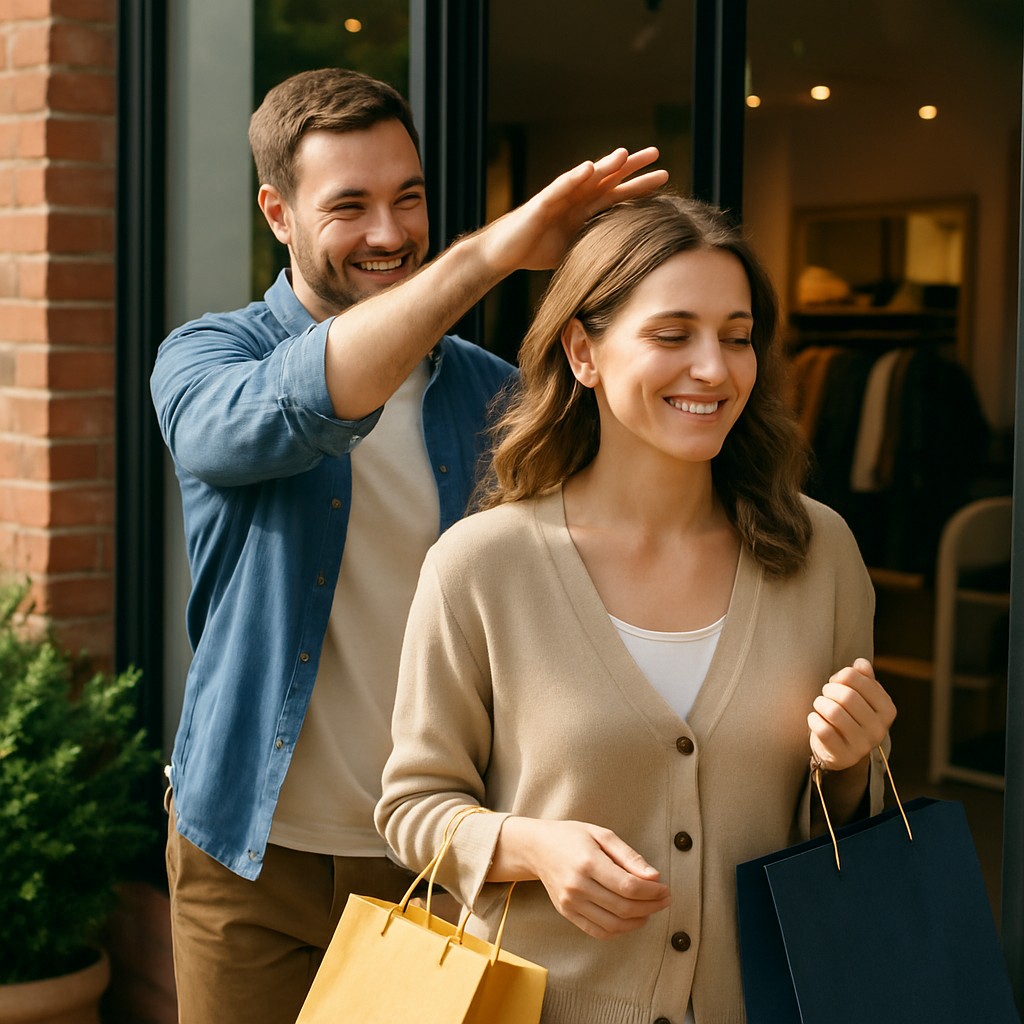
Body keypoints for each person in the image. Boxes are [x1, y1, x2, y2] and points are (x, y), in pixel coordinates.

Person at [150, 66, 667, 1024]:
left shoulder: (494, 396)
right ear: (278, 212)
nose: (391, 234)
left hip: (438, 861)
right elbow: (275, 416)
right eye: (350, 205)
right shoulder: (207, 360)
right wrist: (489, 259)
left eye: (410, 198)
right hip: (247, 858)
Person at [375, 191, 898, 1024]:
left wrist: (849, 762)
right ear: (583, 351)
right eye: (672, 334)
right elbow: (411, 809)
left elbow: (835, 827)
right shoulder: (481, 566)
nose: (715, 368)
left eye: (736, 337)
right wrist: (530, 847)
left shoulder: (819, 552)